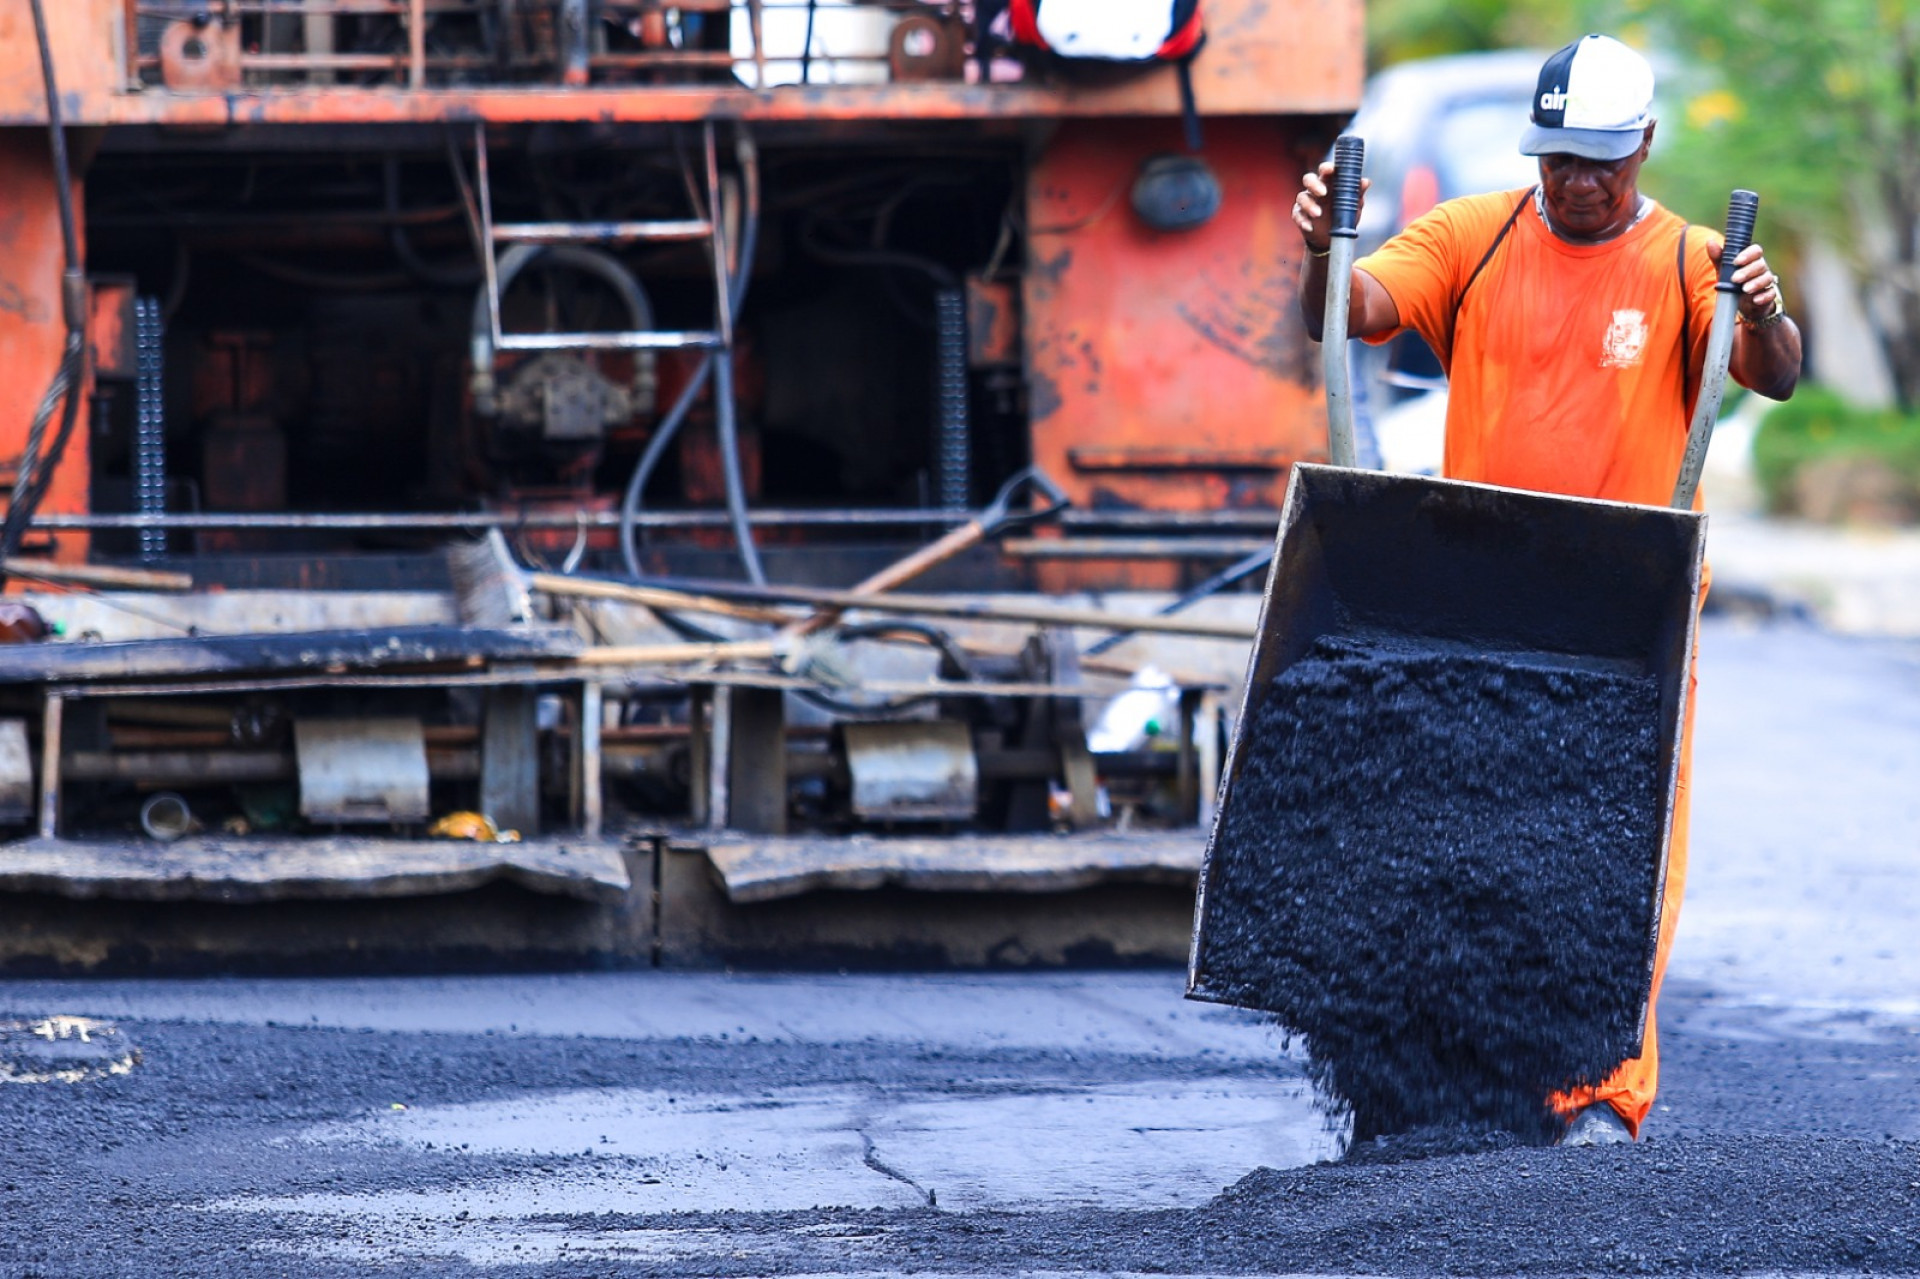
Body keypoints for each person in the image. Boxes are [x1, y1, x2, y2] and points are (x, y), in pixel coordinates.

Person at [1289, 33, 1803, 1146]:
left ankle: (1588, 1096)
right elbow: (1347, 311)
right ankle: (1426, 1077)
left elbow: (1774, 373)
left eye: (1599, 164)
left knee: (1616, 857)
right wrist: (1324, 246)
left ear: (1645, 148)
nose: (1574, 183)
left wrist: (1760, 311)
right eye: (1557, 159)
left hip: (1627, 615)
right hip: (1479, 603)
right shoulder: (1472, 238)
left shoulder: (1688, 263)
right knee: (1454, 845)